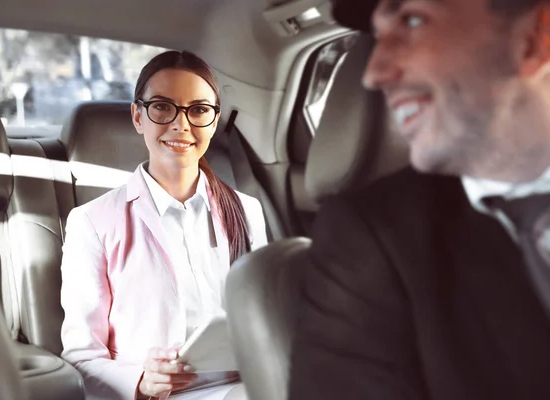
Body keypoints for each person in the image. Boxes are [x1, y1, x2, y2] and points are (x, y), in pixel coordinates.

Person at [289, 0, 550, 399]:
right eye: (377, 37)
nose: (374, 75)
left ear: (536, 38)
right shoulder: (371, 239)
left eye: (412, 21)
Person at [60, 50, 267, 400]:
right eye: (162, 106)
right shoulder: (92, 222)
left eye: (199, 110)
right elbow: (80, 358)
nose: (181, 124)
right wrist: (141, 381)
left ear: (214, 122)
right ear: (137, 116)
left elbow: (264, 319)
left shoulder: (247, 211)